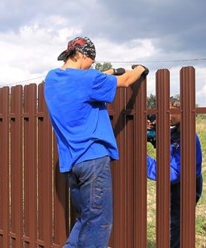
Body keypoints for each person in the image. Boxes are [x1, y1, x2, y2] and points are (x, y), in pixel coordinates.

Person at [44, 36, 148, 248]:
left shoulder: (52, 79)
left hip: (71, 163)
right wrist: (140, 69)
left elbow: (85, 79)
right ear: (83, 55)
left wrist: (108, 72)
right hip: (93, 160)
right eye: (92, 60)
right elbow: (127, 81)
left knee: (85, 220)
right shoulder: (88, 81)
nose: (93, 65)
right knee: (99, 222)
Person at [146, 97, 203, 248]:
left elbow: (171, 173)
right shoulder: (176, 132)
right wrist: (151, 132)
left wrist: (143, 159)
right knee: (173, 220)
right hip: (178, 184)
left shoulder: (188, 138)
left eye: (170, 111)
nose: (166, 115)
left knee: (175, 222)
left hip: (185, 186)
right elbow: (164, 143)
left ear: (181, 112)